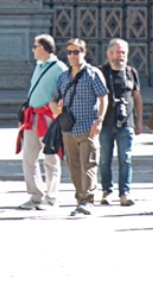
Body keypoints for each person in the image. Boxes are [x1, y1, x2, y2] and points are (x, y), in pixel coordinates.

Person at [50, 38, 108, 216]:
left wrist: (99, 120)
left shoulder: (93, 73)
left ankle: (88, 200)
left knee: (88, 163)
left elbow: (103, 97)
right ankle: (80, 198)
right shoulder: (64, 76)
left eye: (76, 52)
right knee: (73, 165)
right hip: (68, 127)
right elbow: (54, 97)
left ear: (83, 53)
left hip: (87, 125)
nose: (73, 56)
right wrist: (54, 107)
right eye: (69, 52)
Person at [17, 34, 67, 210]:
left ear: (43, 49)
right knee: (29, 157)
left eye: (35, 46)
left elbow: (65, 91)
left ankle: (51, 197)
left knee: (51, 158)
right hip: (33, 117)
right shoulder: (38, 66)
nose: (32, 50)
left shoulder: (59, 67)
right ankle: (35, 195)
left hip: (48, 118)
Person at [97, 38, 143, 207]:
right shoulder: (101, 72)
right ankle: (106, 191)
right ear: (109, 54)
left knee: (126, 159)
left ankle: (125, 192)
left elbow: (137, 96)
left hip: (126, 123)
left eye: (123, 52)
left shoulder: (131, 72)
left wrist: (139, 121)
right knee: (105, 159)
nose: (121, 55)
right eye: (117, 51)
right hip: (106, 123)